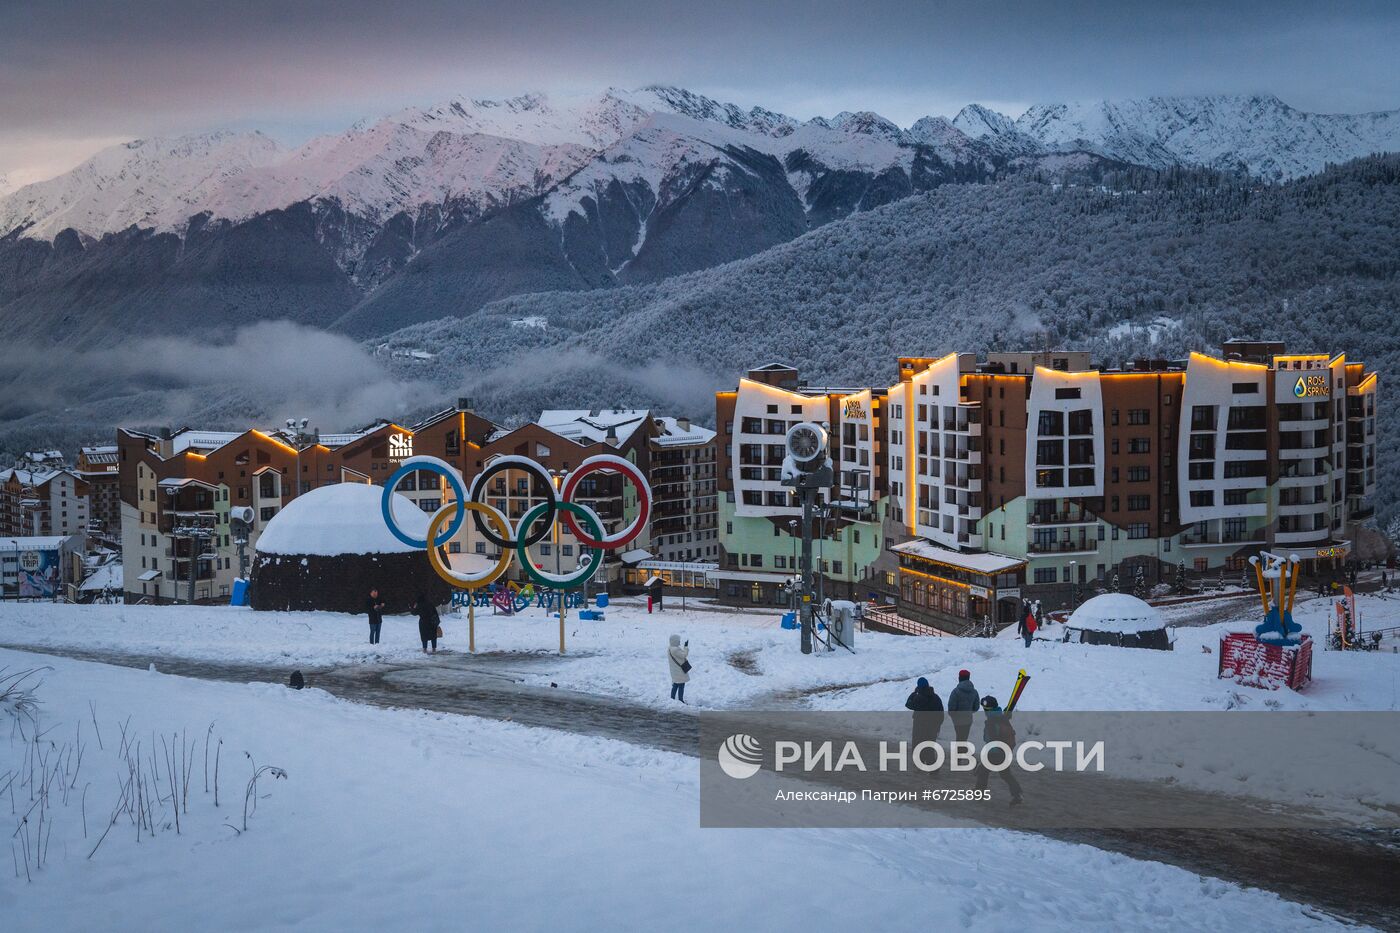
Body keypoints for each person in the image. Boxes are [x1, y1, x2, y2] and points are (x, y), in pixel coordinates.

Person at [973, 695, 1023, 805]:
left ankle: (978, 794)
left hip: (995, 752)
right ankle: (1017, 793)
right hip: (1005, 752)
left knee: (983, 771)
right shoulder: (1002, 718)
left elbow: (988, 739)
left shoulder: (991, 722)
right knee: (1005, 774)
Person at [904, 677, 944, 755]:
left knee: (918, 746)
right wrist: (938, 725)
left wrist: (914, 693)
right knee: (930, 747)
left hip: (919, 727)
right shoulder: (936, 698)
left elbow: (908, 704)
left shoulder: (918, 698)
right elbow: (941, 713)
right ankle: (930, 763)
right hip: (932, 728)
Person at [947, 669, 979, 744]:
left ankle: (959, 753)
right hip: (968, 719)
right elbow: (976, 707)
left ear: (960, 678)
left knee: (959, 737)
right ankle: (962, 752)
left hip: (957, 721)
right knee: (964, 737)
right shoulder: (974, 692)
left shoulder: (955, 692)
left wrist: (954, 715)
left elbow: (951, 708)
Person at [667, 633, 689, 702]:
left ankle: (672, 698)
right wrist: (686, 647)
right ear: (675, 641)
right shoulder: (675, 650)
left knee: (676, 684)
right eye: (678, 640)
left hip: (674, 670)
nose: (679, 641)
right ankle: (680, 700)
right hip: (679, 670)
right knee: (681, 684)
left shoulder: (670, 648)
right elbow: (684, 655)